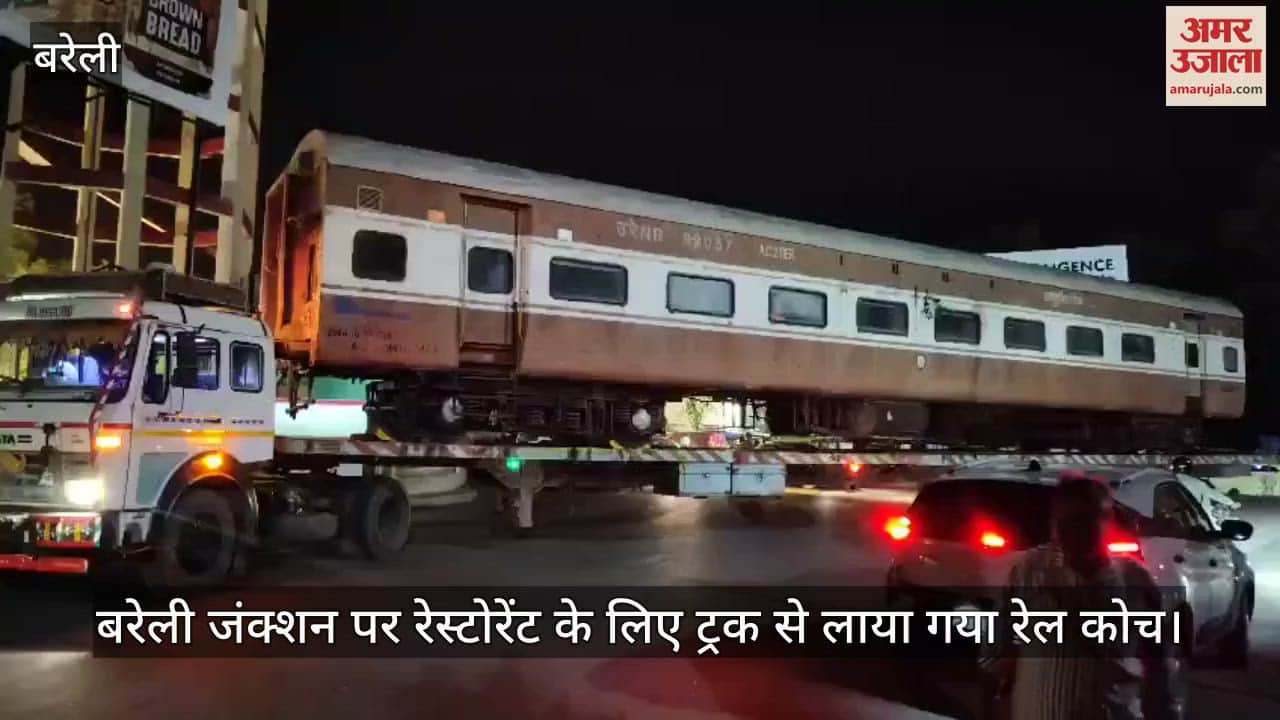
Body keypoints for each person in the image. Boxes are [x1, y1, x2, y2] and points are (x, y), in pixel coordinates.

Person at [983, 473, 1181, 720]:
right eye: (1063, 522)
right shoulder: (1030, 572)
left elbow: (1160, 670)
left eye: (1082, 520)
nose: (1070, 532)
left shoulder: (1134, 581)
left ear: (1105, 520)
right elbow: (994, 655)